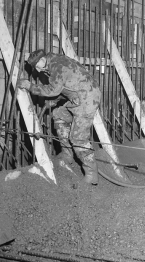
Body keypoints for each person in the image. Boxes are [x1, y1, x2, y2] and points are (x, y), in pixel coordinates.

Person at [18, 49, 101, 184]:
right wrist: (56, 101)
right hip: (80, 96)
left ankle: (91, 174)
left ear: (42, 59)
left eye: (37, 66)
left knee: (78, 138)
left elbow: (53, 90)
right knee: (58, 114)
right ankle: (67, 155)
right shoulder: (55, 62)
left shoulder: (57, 65)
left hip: (87, 99)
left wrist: (30, 86)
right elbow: (69, 84)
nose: (38, 70)